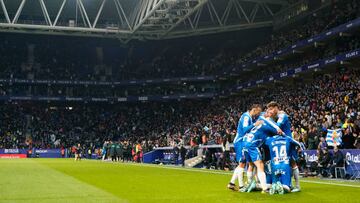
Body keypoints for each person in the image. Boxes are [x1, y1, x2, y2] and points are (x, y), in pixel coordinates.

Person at [241, 115, 283, 193]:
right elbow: (278, 132)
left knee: (250, 165)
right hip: (252, 145)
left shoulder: (259, 124)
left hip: (245, 143)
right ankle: (264, 188)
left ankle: (250, 183)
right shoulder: (267, 127)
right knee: (260, 165)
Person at [266, 101, 302, 192]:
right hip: (280, 142)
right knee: (285, 163)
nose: (270, 111)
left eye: (271, 109)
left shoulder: (282, 116)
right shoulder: (276, 117)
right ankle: (289, 184)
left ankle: (297, 186)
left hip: (287, 142)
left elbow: (277, 127)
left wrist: (268, 119)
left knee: (292, 163)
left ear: (275, 108)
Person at [228, 104, 263, 191]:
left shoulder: (249, 117)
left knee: (242, 163)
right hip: (240, 141)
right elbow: (244, 130)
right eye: (258, 112)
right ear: (254, 109)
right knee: (242, 164)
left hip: (242, 141)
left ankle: (231, 183)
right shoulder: (246, 117)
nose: (258, 114)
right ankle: (241, 186)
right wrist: (255, 124)